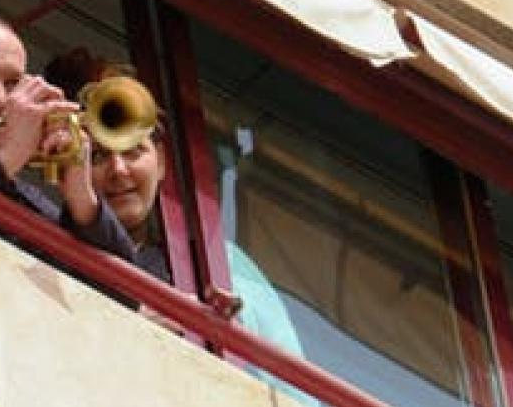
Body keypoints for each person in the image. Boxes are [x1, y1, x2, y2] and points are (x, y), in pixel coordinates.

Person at [46, 46, 319, 407]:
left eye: (133, 151)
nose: (119, 170)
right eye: (96, 156)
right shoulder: (39, 244)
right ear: (62, 166)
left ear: (161, 163)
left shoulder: (213, 265)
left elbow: (289, 393)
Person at [0, 18, 136, 267]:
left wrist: (82, 200)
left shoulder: (21, 193)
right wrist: (8, 157)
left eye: (12, 84)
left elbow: (125, 297)